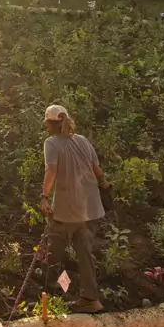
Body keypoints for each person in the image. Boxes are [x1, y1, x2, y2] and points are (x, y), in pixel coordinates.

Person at [40, 104, 110, 313]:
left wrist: (44, 197)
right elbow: (97, 171)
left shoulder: (51, 143)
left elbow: (51, 170)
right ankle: (90, 299)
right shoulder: (82, 141)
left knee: (54, 252)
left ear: (51, 123)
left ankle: (52, 294)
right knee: (85, 254)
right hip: (91, 209)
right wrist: (106, 187)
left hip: (67, 211)